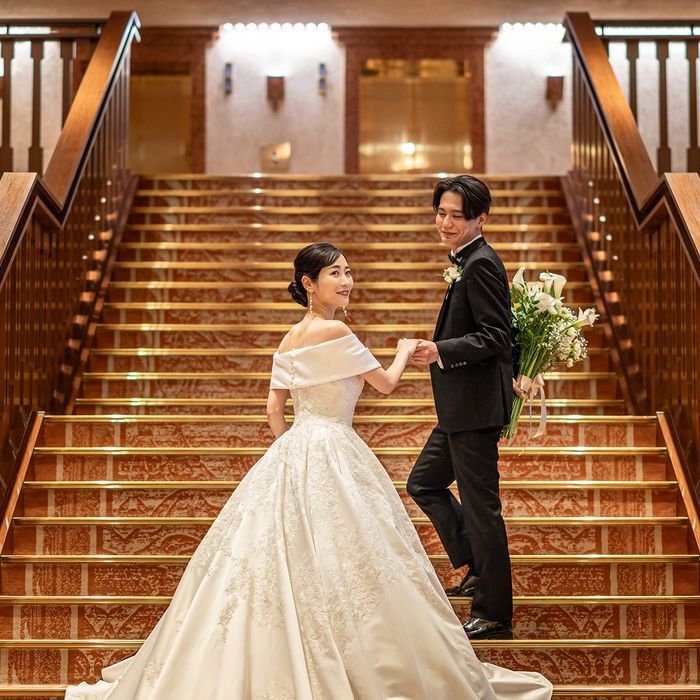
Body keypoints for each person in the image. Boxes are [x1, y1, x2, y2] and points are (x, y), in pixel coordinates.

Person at [65, 242, 551, 699]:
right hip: (336, 447)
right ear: (309, 283)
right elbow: (384, 384)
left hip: (295, 446)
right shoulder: (336, 333)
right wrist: (405, 348)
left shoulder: (288, 339)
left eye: (348, 272)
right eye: (335, 273)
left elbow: (273, 409)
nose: (347, 281)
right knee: (349, 550)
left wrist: (290, 451)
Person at [408, 175, 520, 642]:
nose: (446, 222)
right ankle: (476, 565)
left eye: (457, 215)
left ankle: (493, 613)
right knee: (423, 482)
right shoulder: (467, 261)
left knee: (481, 508)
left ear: (481, 219)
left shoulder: (480, 264)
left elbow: (496, 335)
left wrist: (441, 350)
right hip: (461, 407)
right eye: (441, 213)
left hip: (474, 408)